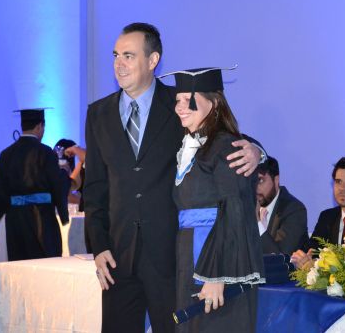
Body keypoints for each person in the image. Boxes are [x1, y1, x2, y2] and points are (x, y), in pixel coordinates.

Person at [83, 23, 264, 333]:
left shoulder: (181, 103)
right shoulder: (97, 113)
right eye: (115, 55)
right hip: (118, 256)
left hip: (171, 256)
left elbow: (223, 137)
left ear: (153, 60)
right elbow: (95, 187)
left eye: (129, 55)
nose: (119, 64)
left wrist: (258, 151)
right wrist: (98, 246)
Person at [170, 67, 264, 333]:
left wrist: (217, 274)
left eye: (188, 99)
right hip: (190, 254)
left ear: (213, 104)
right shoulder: (191, 144)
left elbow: (235, 208)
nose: (180, 107)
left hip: (217, 259)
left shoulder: (227, 147)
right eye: (177, 100)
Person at [0, 108, 71, 261]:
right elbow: (57, 185)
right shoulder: (46, 153)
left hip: (15, 220)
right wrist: (65, 174)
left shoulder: (7, 154)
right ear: (39, 126)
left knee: (20, 263)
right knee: (44, 263)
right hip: (41, 218)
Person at [256, 156, 308, 255]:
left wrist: (257, 221)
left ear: (276, 180)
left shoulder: (295, 210)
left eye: (260, 180)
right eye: (252, 181)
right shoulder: (247, 206)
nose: (255, 188)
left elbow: (281, 256)